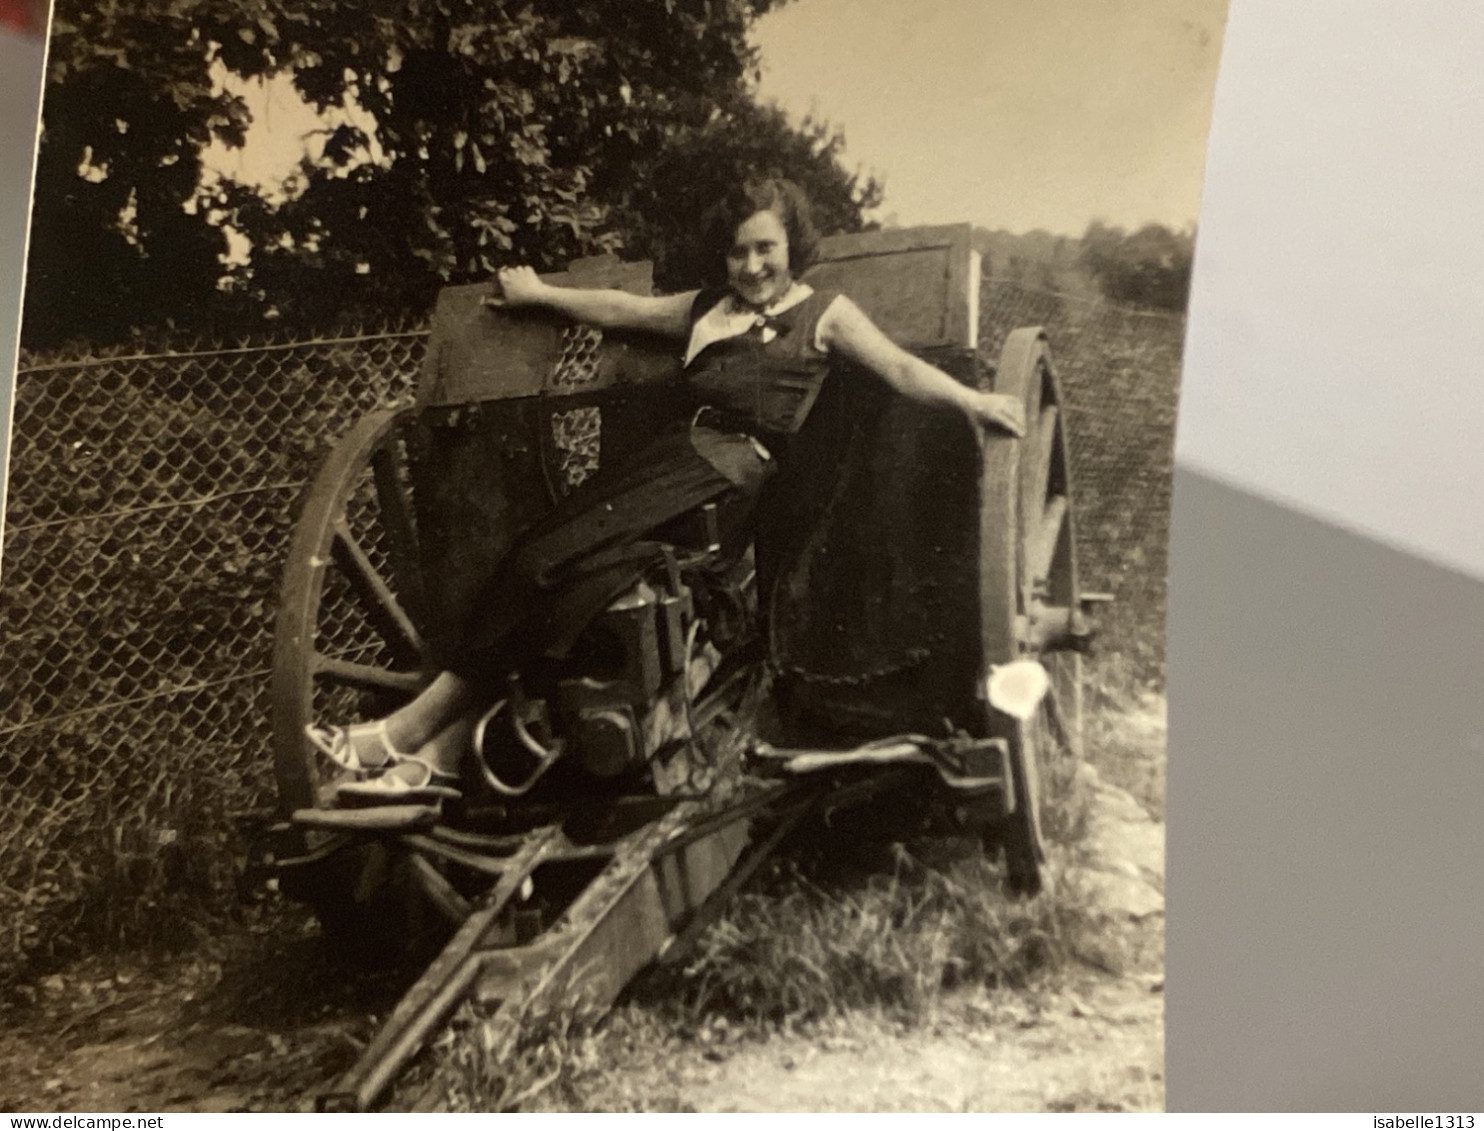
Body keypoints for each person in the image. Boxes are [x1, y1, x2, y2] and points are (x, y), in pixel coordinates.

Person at [310, 177, 1025, 800]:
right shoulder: (708, 309)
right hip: (667, 463)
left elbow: (899, 371)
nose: (752, 265)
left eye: (765, 249)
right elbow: (621, 312)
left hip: (730, 480)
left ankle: (402, 735)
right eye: (739, 251)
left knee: (563, 572)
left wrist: (976, 404)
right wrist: (539, 295)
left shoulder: (824, 313)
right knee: (545, 563)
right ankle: (438, 751)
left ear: (792, 246)